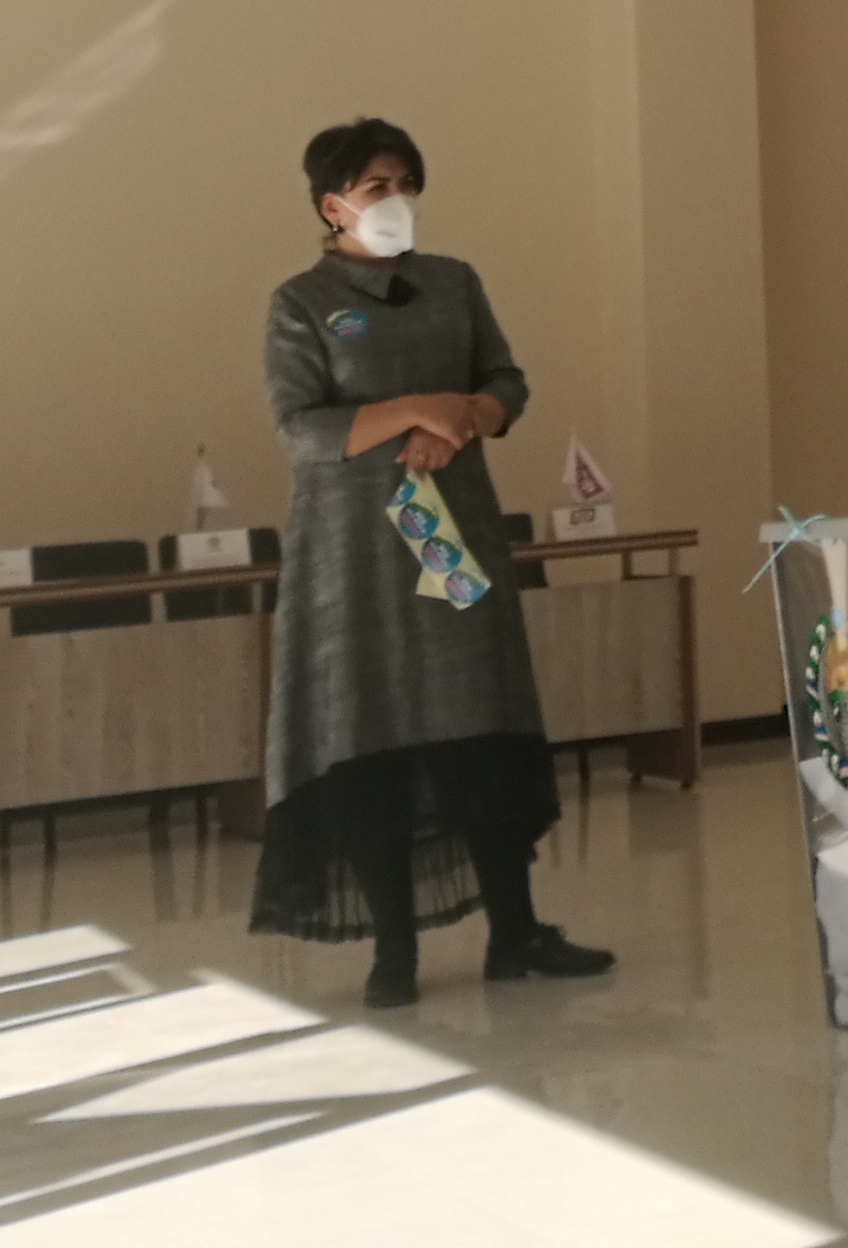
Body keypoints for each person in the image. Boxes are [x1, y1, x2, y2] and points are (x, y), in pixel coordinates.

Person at [248, 116, 613, 1007]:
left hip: (456, 535)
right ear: (331, 204)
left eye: (406, 181)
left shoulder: (455, 283)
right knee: (368, 734)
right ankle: (395, 952)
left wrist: (472, 417)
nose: (396, 199)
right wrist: (418, 408)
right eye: (376, 186)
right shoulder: (299, 301)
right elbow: (301, 430)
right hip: (354, 554)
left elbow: (507, 381)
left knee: (477, 726)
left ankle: (516, 933)